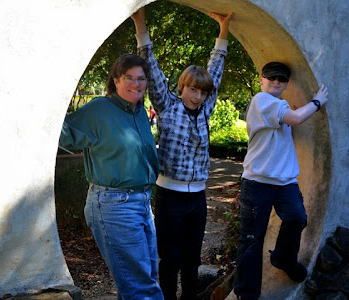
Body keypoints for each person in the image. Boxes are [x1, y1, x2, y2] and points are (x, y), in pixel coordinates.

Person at [132, 7, 234, 299]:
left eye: (201, 92)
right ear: (182, 87)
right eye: (192, 89)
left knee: (192, 258)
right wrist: (140, 24)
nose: (197, 95)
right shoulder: (167, 105)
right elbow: (150, 67)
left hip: (197, 198)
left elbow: (215, 69)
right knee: (170, 258)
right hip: (170, 197)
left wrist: (223, 32)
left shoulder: (206, 110)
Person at [59, 53, 164, 299]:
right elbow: (61, 132)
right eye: (129, 77)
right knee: (141, 288)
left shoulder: (138, 112)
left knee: (143, 278)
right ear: (115, 80)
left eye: (141, 79)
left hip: (141, 203)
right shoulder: (99, 109)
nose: (136, 84)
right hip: (113, 205)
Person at [233, 62, 328, 300]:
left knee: (297, 217)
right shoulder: (262, 101)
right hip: (257, 182)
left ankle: (283, 258)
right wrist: (317, 101)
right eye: (272, 78)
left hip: (285, 181)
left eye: (282, 80)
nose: (276, 83)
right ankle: (247, 294)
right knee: (252, 240)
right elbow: (295, 118)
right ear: (261, 80)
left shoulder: (278, 105)